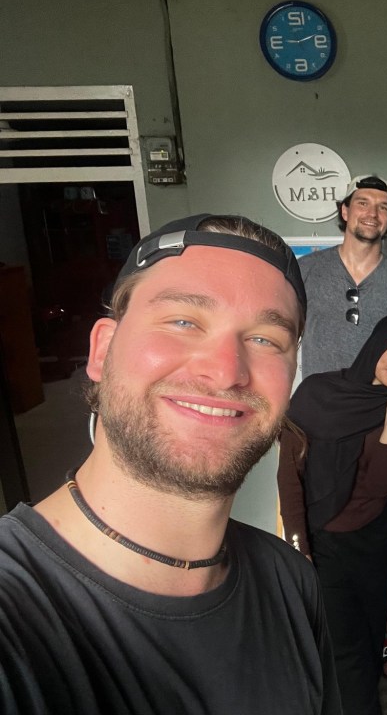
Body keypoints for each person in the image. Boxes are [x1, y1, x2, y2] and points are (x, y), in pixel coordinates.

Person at [0, 214, 341, 714]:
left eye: (265, 339)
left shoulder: (292, 582)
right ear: (102, 349)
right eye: (184, 321)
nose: (225, 372)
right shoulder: (14, 615)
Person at [278, 313, 387, 715]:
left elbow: (382, 487)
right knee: (342, 646)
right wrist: (298, 547)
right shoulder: (317, 393)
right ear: (377, 343)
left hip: (374, 538)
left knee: (367, 637)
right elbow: (290, 476)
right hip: (323, 538)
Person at [299, 174, 387, 377]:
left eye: (383, 207)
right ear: (345, 211)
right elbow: (280, 335)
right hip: (318, 396)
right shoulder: (306, 269)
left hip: (379, 398)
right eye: (363, 203)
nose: (372, 214)